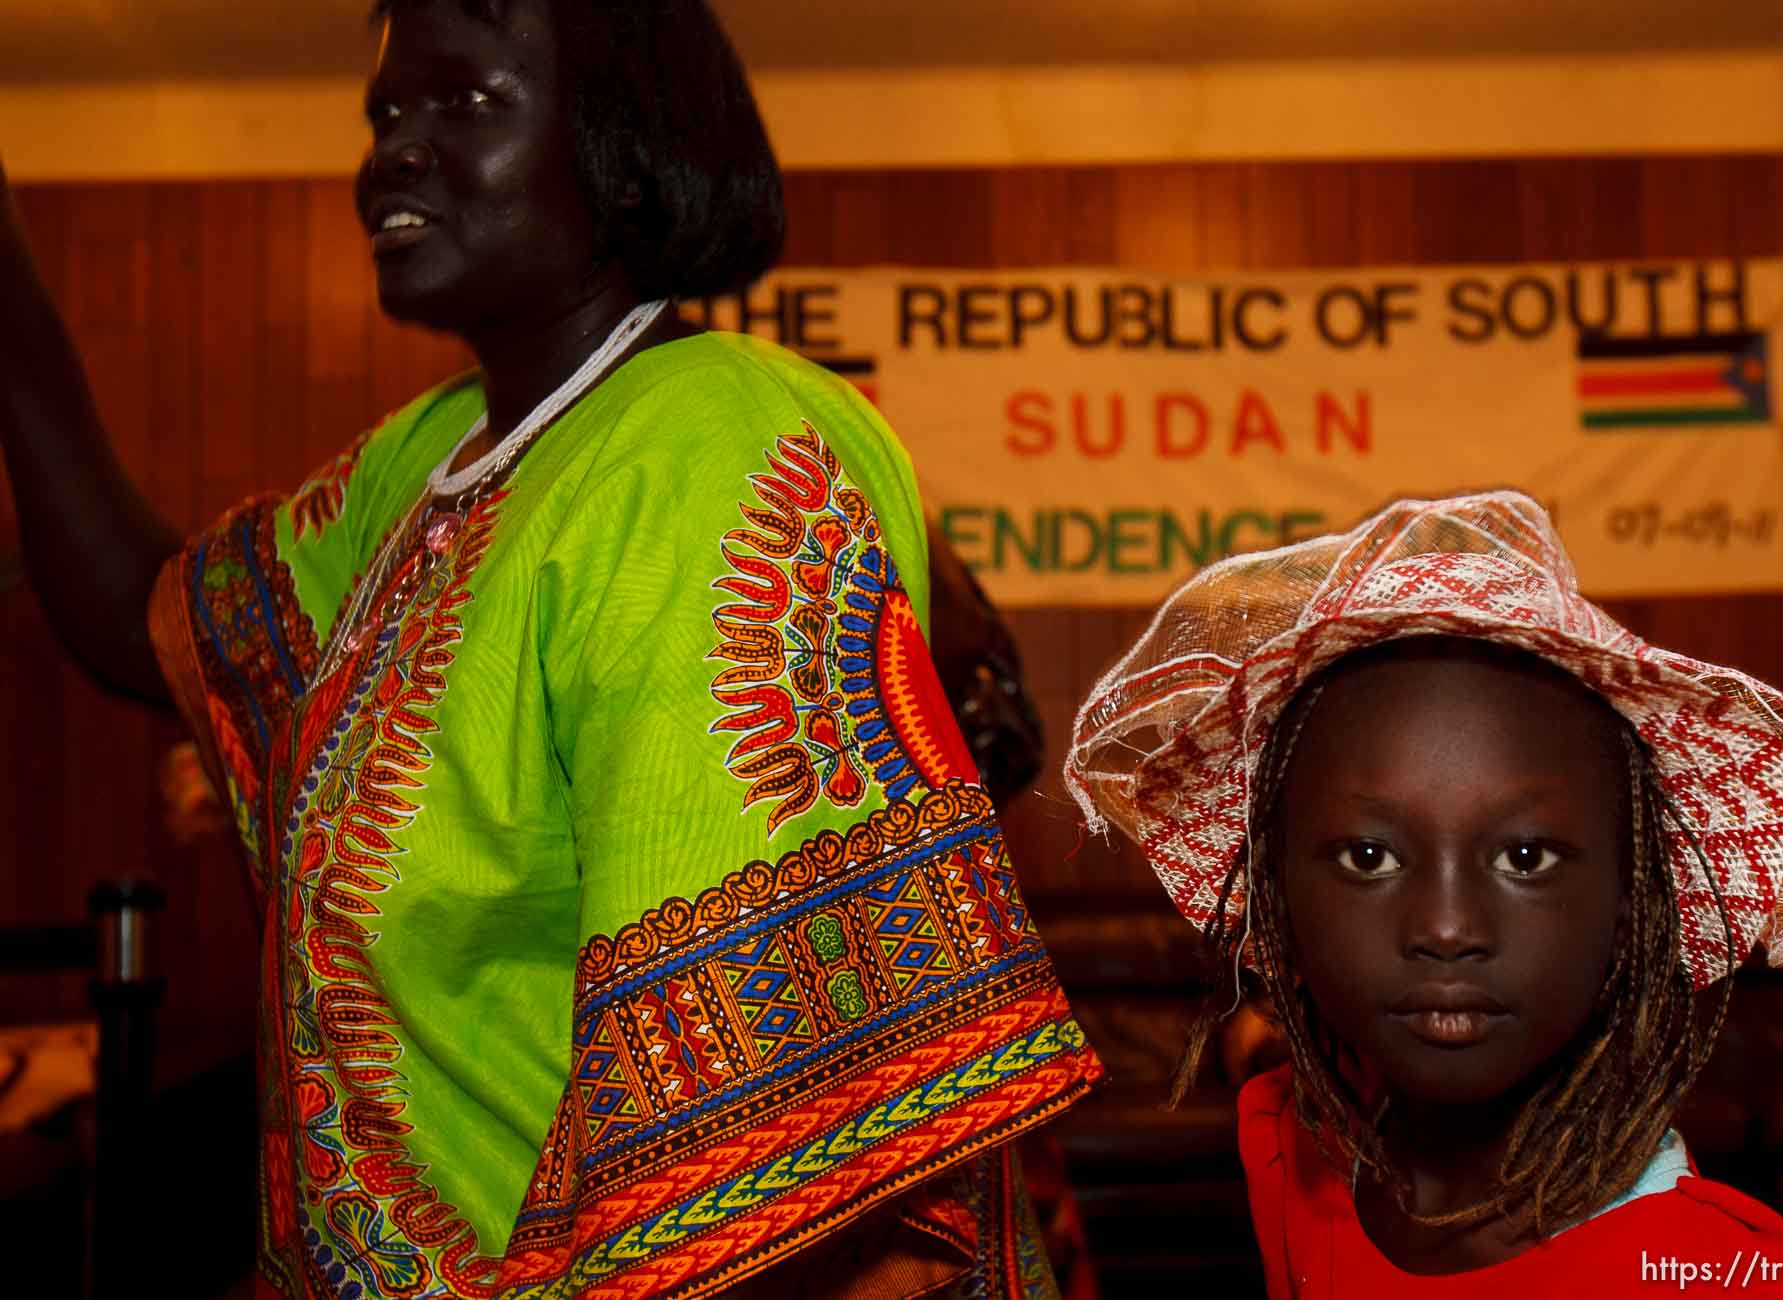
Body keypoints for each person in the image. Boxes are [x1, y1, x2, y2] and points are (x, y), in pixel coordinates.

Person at [0, 0, 1103, 1295]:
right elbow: (151, 625)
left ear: (623, 145)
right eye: (384, 115)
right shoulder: (433, 458)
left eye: (465, 102)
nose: (394, 153)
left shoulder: (710, 442)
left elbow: (767, 1138)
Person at [1064, 491, 1783, 1297]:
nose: (1446, 927)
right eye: (1368, 856)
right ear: (1278, 898)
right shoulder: (1294, 1154)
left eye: (1527, 856)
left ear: (1633, 895)